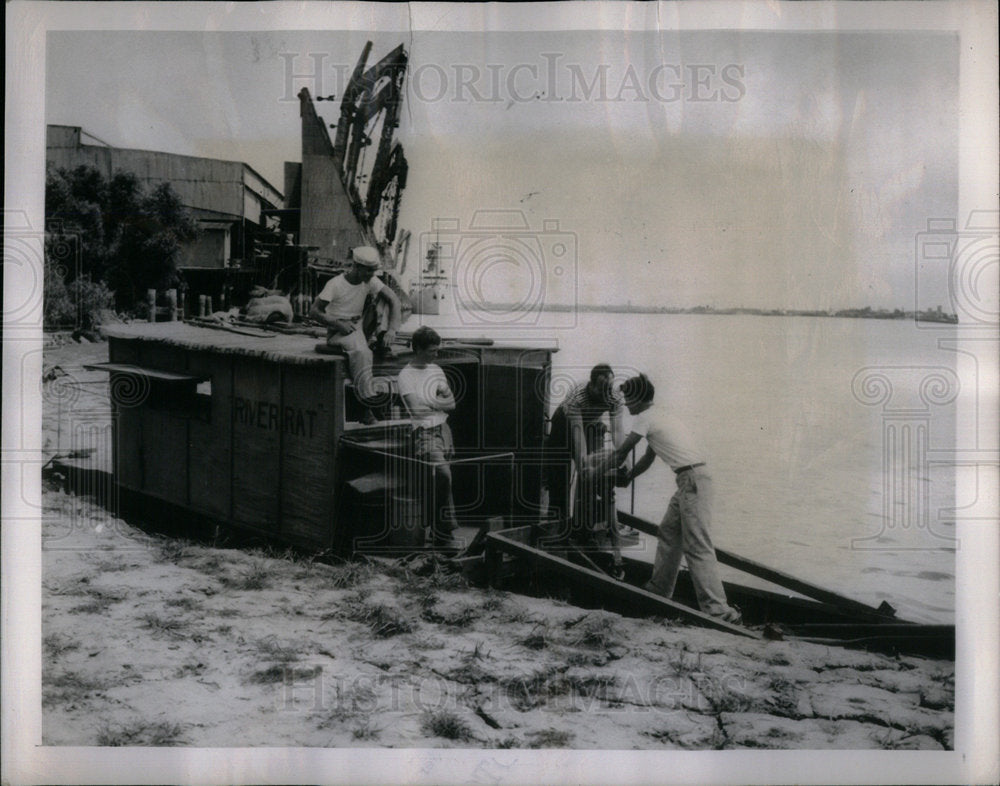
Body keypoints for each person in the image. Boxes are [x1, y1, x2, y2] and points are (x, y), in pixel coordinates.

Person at [611, 373, 741, 624]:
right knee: (669, 532)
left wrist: (593, 473)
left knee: (697, 544)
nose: (626, 405)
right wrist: (628, 479)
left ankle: (719, 612)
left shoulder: (644, 418)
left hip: (693, 481)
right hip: (689, 480)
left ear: (638, 398)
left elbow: (622, 451)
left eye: (628, 399)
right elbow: (649, 458)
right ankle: (659, 591)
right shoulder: (659, 416)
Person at [543, 364, 626, 575]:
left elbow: (617, 432)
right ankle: (557, 526)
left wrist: (622, 457)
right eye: (601, 389)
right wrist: (583, 465)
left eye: (609, 388)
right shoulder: (577, 398)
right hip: (565, 423)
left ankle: (585, 529)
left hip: (591, 424)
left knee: (593, 479)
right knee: (559, 476)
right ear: (591, 385)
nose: (605, 394)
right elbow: (578, 439)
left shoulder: (615, 397)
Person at [309, 246, 401, 404]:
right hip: (339, 331)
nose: (372, 275)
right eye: (368, 271)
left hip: (359, 326)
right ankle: (367, 399)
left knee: (385, 300)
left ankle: (382, 341)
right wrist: (337, 323)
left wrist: (392, 330)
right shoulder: (335, 284)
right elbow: (314, 311)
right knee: (362, 353)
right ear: (356, 267)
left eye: (373, 271)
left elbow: (395, 300)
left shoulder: (370, 281)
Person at [397, 326, 461, 551]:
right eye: (432, 350)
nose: (436, 354)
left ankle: (437, 532)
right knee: (443, 474)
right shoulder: (406, 376)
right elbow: (416, 411)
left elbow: (452, 404)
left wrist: (431, 403)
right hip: (424, 433)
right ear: (418, 349)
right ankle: (444, 535)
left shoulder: (436, 370)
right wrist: (437, 404)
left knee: (441, 481)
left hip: (444, 430)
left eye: (438, 350)